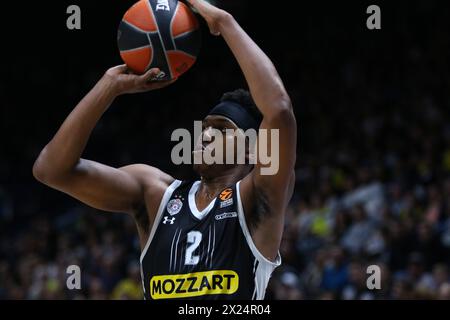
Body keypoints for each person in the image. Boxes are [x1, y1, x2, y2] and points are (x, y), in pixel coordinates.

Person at [33, 0, 297, 300]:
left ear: (253, 151)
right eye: (205, 126)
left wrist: (224, 22)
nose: (206, 135)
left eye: (222, 129)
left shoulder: (259, 198)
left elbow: (278, 109)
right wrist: (109, 88)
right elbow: (51, 170)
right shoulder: (156, 193)